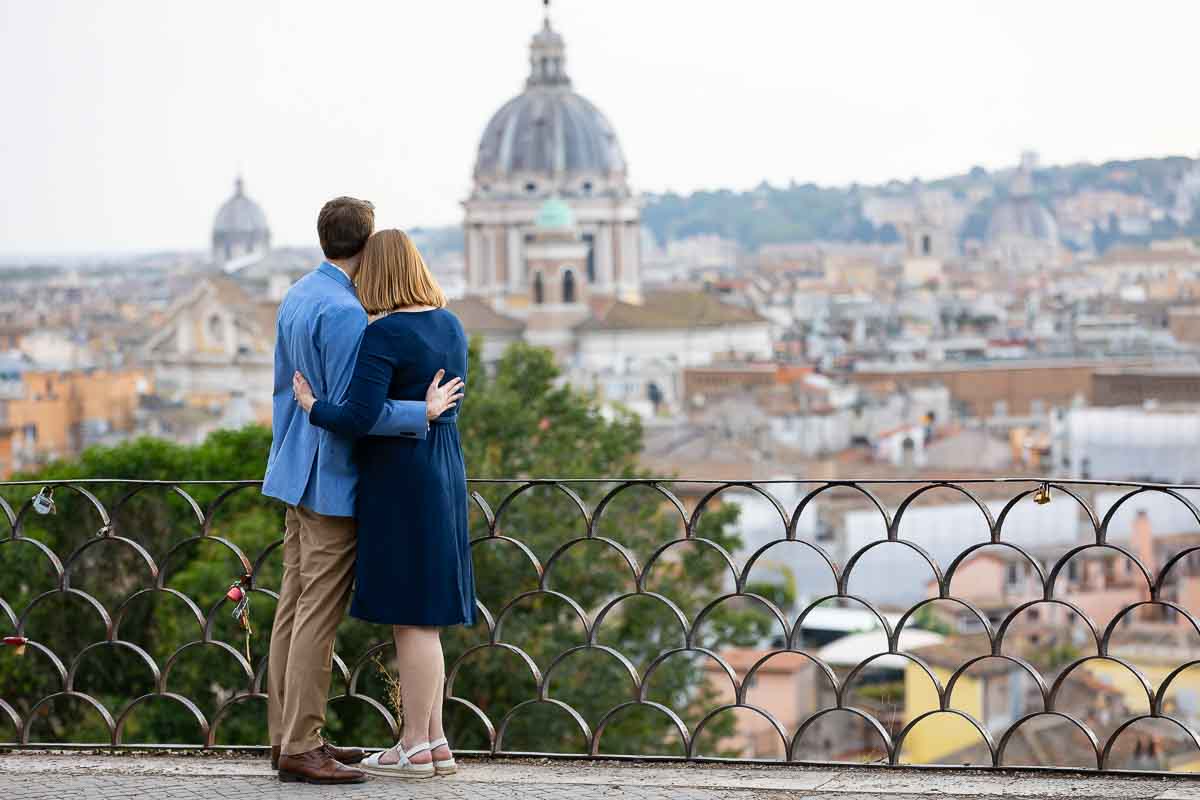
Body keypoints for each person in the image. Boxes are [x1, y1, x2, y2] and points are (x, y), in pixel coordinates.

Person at [262, 198, 464, 785]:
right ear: (368, 243)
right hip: (334, 480)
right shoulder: (351, 314)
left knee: (293, 608)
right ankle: (303, 743)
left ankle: (285, 737)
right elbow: (357, 411)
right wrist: (419, 412)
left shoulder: (299, 294)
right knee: (317, 615)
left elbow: (285, 391)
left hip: (296, 470)